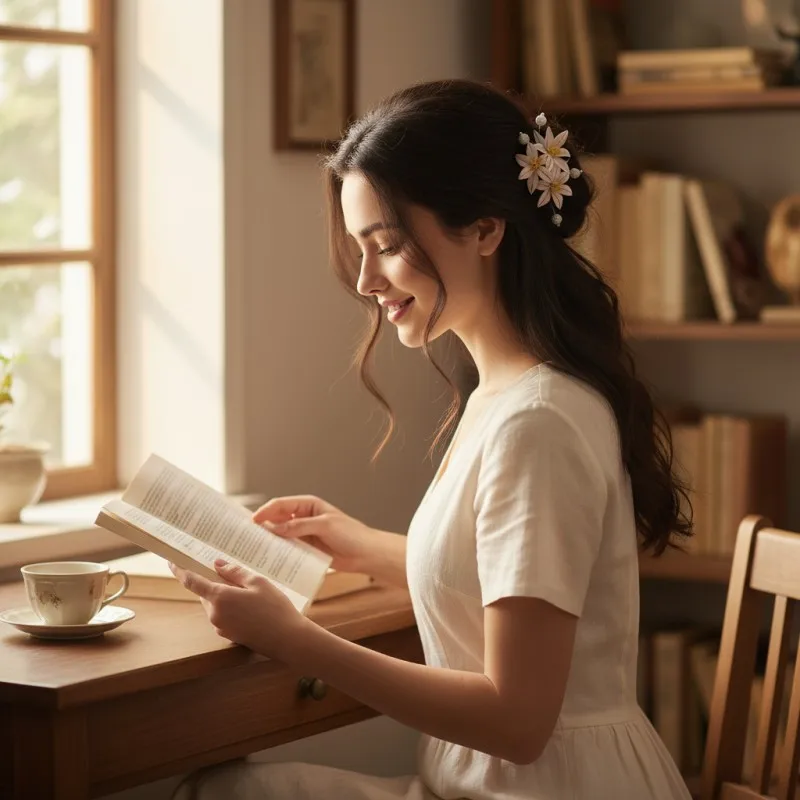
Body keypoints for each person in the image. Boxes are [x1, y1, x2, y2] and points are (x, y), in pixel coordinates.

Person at [171, 79, 693, 800]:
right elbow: (507, 581)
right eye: (360, 249)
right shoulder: (506, 395)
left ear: (485, 229)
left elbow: (517, 721)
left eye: (386, 246)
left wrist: (294, 641)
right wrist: (365, 547)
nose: (366, 280)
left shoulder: (538, 422)